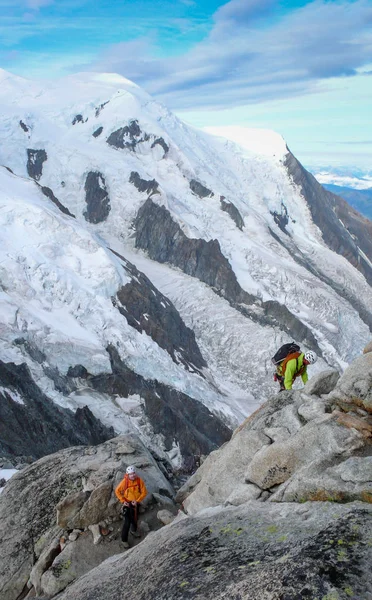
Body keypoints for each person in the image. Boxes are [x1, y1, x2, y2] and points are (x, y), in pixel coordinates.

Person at [115, 465, 147, 549]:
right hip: (128, 504)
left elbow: (144, 492)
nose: (132, 475)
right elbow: (117, 491)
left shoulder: (139, 481)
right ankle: (124, 540)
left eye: (133, 473)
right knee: (127, 522)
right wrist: (123, 501)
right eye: (130, 474)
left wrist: (137, 500)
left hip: (136, 503)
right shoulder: (124, 482)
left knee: (135, 519)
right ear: (127, 475)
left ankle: (133, 531)